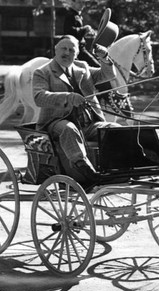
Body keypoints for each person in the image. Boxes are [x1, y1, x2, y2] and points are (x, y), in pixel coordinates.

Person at [33, 35, 119, 185]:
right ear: (55, 50)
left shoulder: (83, 67)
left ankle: (115, 168)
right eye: (63, 48)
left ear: (77, 53)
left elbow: (108, 74)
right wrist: (67, 97)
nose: (66, 53)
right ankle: (84, 169)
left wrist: (104, 57)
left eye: (71, 50)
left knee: (114, 129)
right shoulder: (43, 72)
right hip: (56, 123)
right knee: (69, 128)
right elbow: (39, 97)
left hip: (88, 124)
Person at [62, 0, 100, 67]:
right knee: (97, 67)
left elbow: (77, 33)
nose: (82, 4)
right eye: (79, 2)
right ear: (72, 3)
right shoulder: (70, 15)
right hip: (76, 50)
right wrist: (85, 29)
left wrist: (87, 32)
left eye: (83, 2)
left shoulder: (77, 15)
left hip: (80, 48)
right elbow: (69, 31)